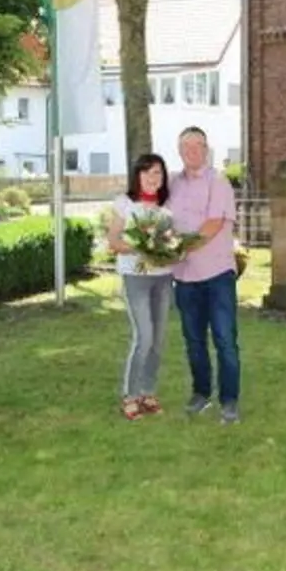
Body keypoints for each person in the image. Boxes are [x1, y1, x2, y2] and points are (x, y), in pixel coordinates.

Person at [168, 127, 241, 423]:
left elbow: (213, 224)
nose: (191, 153)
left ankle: (229, 400)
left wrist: (183, 247)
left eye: (197, 147)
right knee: (193, 340)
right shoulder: (172, 183)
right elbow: (160, 220)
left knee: (225, 339)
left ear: (206, 150)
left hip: (217, 274)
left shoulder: (219, 182)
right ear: (179, 151)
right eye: (185, 148)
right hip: (185, 277)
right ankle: (201, 393)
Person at [105, 153, 174, 420]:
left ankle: (148, 392)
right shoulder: (125, 204)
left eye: (157, 173)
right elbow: (113, 241)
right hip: (135, 278)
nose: (152, 178)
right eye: (147, 173)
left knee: (158, 341)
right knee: (143, 336)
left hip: (163, 278)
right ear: (137, 176)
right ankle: (130, 396)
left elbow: (170, 243)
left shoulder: (167, 208)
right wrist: (140, 247)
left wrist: (170, 250)